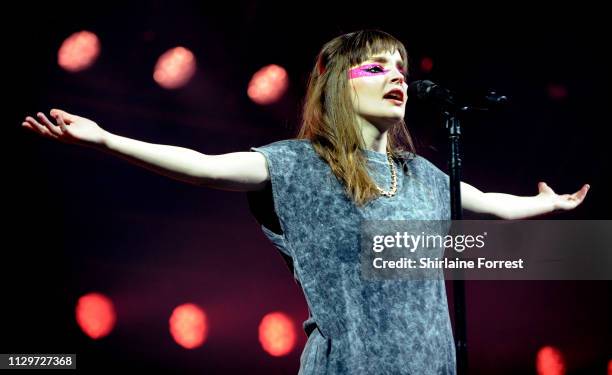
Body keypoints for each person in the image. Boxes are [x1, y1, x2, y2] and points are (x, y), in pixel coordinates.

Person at [22, 30, 589, 375]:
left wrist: (548, 206)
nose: (397, 78)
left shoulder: (422, 174)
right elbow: (203, 166)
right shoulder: (300, 163)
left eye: (401, 70)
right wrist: (105, 139)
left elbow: (489, 203)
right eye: (376, 67)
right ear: (342, 83)